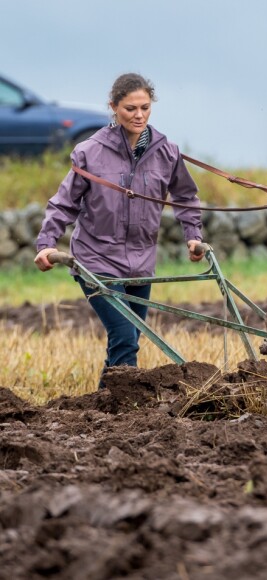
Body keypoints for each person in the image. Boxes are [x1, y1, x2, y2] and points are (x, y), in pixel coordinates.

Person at [34, 73, 204, 388]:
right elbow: (64, 204)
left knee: (124, 341)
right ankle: (130, 413)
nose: (138, 115)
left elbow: (185, 196)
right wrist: (45, 243)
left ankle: (102, 409)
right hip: (96, 260)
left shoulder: (167, 151)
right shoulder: (90, 151)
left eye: (144, 107)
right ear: (114, 108)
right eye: (129, 109)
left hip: (141, 263)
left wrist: (193, 236)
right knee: (125, 335)